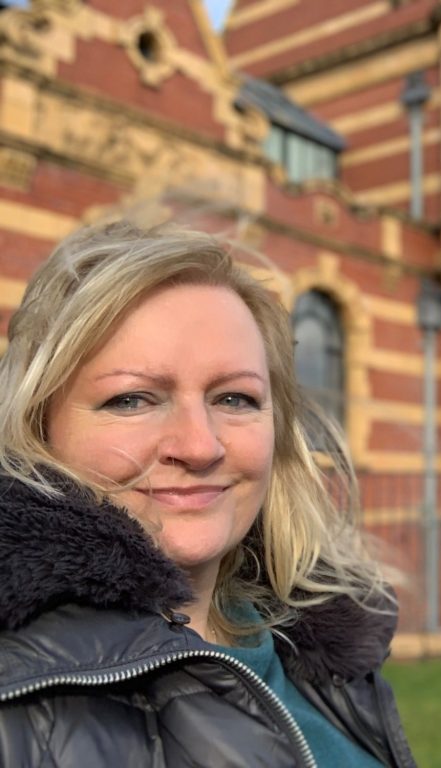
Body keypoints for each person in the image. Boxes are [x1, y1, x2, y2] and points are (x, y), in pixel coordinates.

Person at [0, 221, 416, 767]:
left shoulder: (329, 651)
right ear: (37, 427)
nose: (200, 446)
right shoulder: (18, 703)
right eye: (131, 400)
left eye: (235, 398)